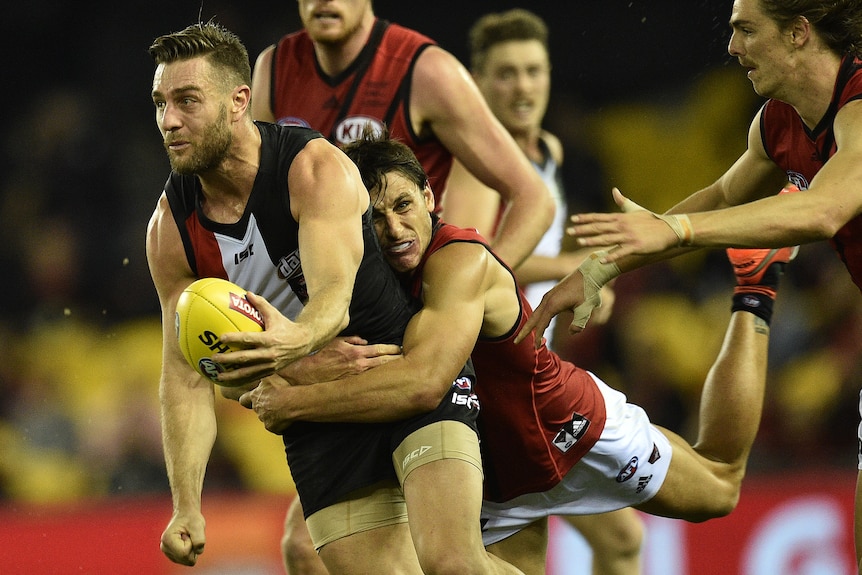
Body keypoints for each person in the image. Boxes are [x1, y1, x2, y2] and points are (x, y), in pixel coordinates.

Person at [236, 131, 795, 575]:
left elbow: (424, 381)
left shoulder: (460, 261)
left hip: (566, 428)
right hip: (493, 472)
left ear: (430, 197)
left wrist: (296, 403)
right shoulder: (362, 279)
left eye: (405, 205)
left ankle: (755, 285)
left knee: (719, 488)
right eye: (376, 218)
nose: (394, 228)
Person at [146, 21, 521, 575]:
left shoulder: (312, 168)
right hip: (315, 423)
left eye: (187, 100)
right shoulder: (169, 230)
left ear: (238, 102)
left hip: (395, 370)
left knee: (454, 566)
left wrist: (291, 347)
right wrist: (187, 504)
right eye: (159, 103)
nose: (168, 120)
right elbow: (183, 375)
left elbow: (333, 299)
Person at [512, 2, 862, 570]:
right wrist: (605, 266)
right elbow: (724, 197)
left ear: (799, 34)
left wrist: (677, 228)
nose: (731, 47)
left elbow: (825, 211)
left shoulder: (860, 101)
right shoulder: (778, 120)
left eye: (746, 29)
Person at [441, 8, 643, 574]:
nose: (523, 86)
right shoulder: (481, 166)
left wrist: (581, 285)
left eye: (534, 70)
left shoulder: (547, 153)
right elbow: (468, 261)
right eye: (505, 73)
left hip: (526, 378)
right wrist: (579, 267)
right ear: (477, 83)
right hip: (486, 388)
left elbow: (521, 268)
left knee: (619, 540)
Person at [250, 0, 555, 270]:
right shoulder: (273, 66)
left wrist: (479, 289)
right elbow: (252, 202)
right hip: (313, 290)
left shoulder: (426, 70)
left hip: (404, 299)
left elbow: (534, 198)